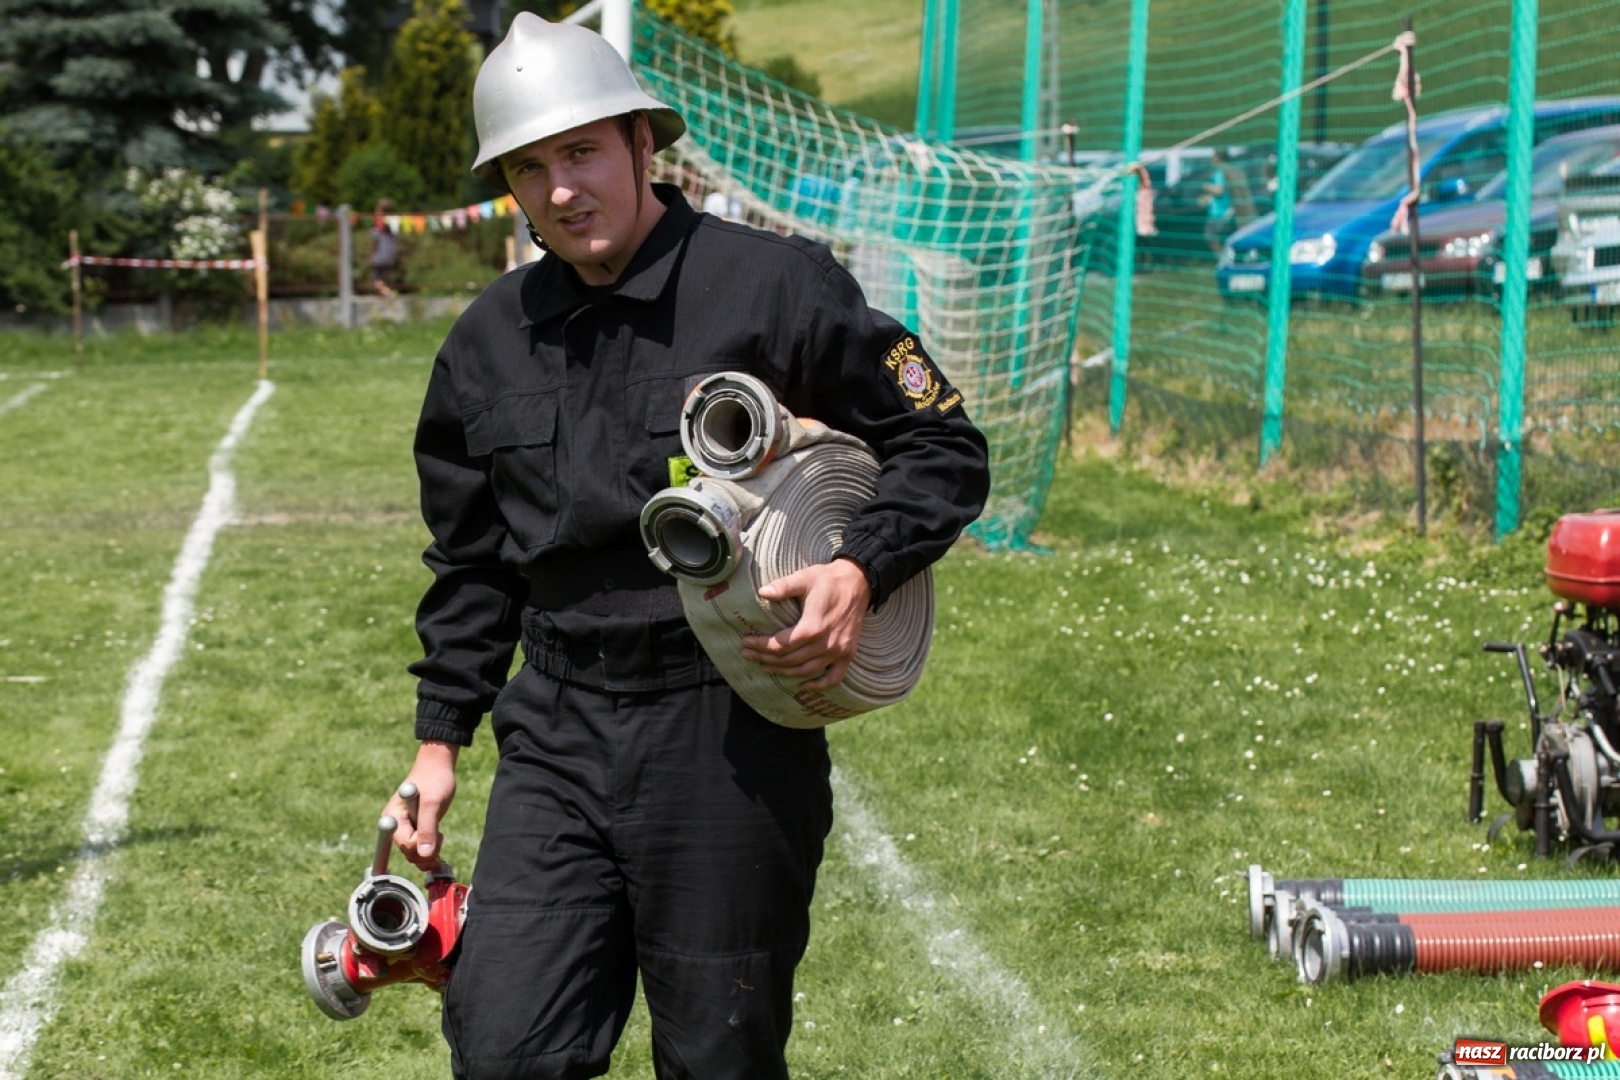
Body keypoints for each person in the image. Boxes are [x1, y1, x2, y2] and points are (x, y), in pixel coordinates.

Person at [384, 14, 990, 1080]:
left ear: (640, 145)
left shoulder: (773, 287)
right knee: (504, 1047)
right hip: (557, 731)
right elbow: (474, 564)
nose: (563, 188)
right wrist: (440, 742)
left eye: (581, 151)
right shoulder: (485, 342)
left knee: (720, 1056)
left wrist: (861, 565)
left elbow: (940, 440)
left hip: (726, 732)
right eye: (531, 167)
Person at [371, 199, 400, 299]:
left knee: (376, 279)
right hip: (391, 255)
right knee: (383, 278)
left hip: (380, 255)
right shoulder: (393, 225)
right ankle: (386, 294)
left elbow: (375, 241)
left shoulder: (378, 227)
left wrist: (372, 253)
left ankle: (388, 293)